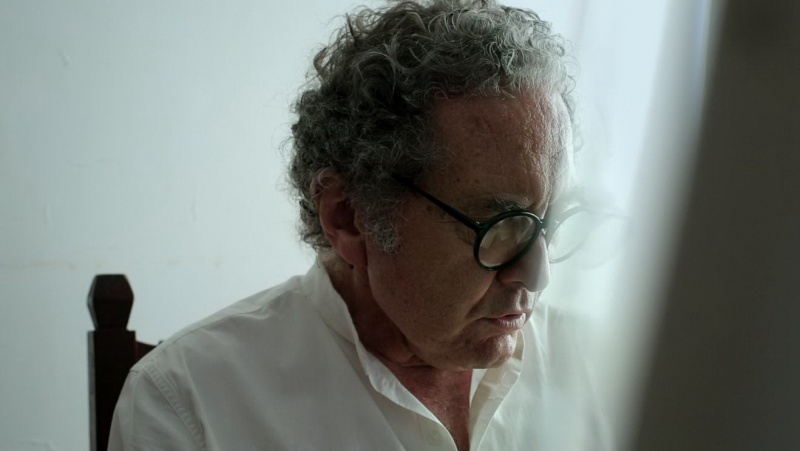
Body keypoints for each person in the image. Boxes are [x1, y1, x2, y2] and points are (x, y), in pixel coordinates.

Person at [109, 1, 607, 449]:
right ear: (348, 216)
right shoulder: (190, 402)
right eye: (500, 224)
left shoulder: (603, 366)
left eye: (552, 220)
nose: (538, 275)